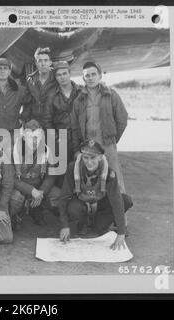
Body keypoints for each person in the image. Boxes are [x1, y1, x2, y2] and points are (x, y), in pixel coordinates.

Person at [58, 139, 133, 250]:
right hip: (81, 201)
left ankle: (100, 222)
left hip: (100, 202)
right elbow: (64, 196)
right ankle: (82, 222)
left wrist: (121, 233)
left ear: (100, 157)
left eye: (92, 158)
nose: (89, 162)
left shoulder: (110, 173)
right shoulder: (72, 168)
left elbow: (116, 201)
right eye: (85, 158)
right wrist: (64, 225)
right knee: (73, 207)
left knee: (125, 200)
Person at [71, 61, 128, 193]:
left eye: (93, 74)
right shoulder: (79, 100)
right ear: (83, 78)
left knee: (115, 180)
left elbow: (122, 119)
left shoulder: (111, 95)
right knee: (91, 182)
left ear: (100, 76)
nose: (90, 78)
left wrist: (112, 139)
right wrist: (77, 149)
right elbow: (74, 127)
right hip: (88, 146)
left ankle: (121, 211)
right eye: (87, 75)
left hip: (107, 144)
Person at [10, 119, 61, 227]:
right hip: (20, 188)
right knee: (15, 199)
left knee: (57, 196)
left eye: (37, 138)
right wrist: (31, 190)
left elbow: (51, 175)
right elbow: (10, 178)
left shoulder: (46, 151)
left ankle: (36, 209)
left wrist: (41, 191)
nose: (34, 142)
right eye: (30, 138)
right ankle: (15, 214)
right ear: (24, 137)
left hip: (38, 187)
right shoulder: (14, 151)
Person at [43, 61, 82, 164]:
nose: (62, 77)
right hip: (62, 138)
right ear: (55, 77)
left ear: (70, 74)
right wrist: (56, 139)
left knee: (82, 169)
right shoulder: (51, 96)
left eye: (65, 73)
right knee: (62, 174)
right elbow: (47, 121)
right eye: (59, 75)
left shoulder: (81, 92)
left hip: (80, 138)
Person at [22, 47, 58, 126]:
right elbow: (27, 104)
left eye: (45, 60)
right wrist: (24, 122)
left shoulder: (57, 78)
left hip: (54, 123)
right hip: (35, 124)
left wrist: (63, 132)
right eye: (40, 61)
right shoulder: (30, 80)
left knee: (55, 138)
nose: (43, 64)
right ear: (36, 63)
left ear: (50, 62)